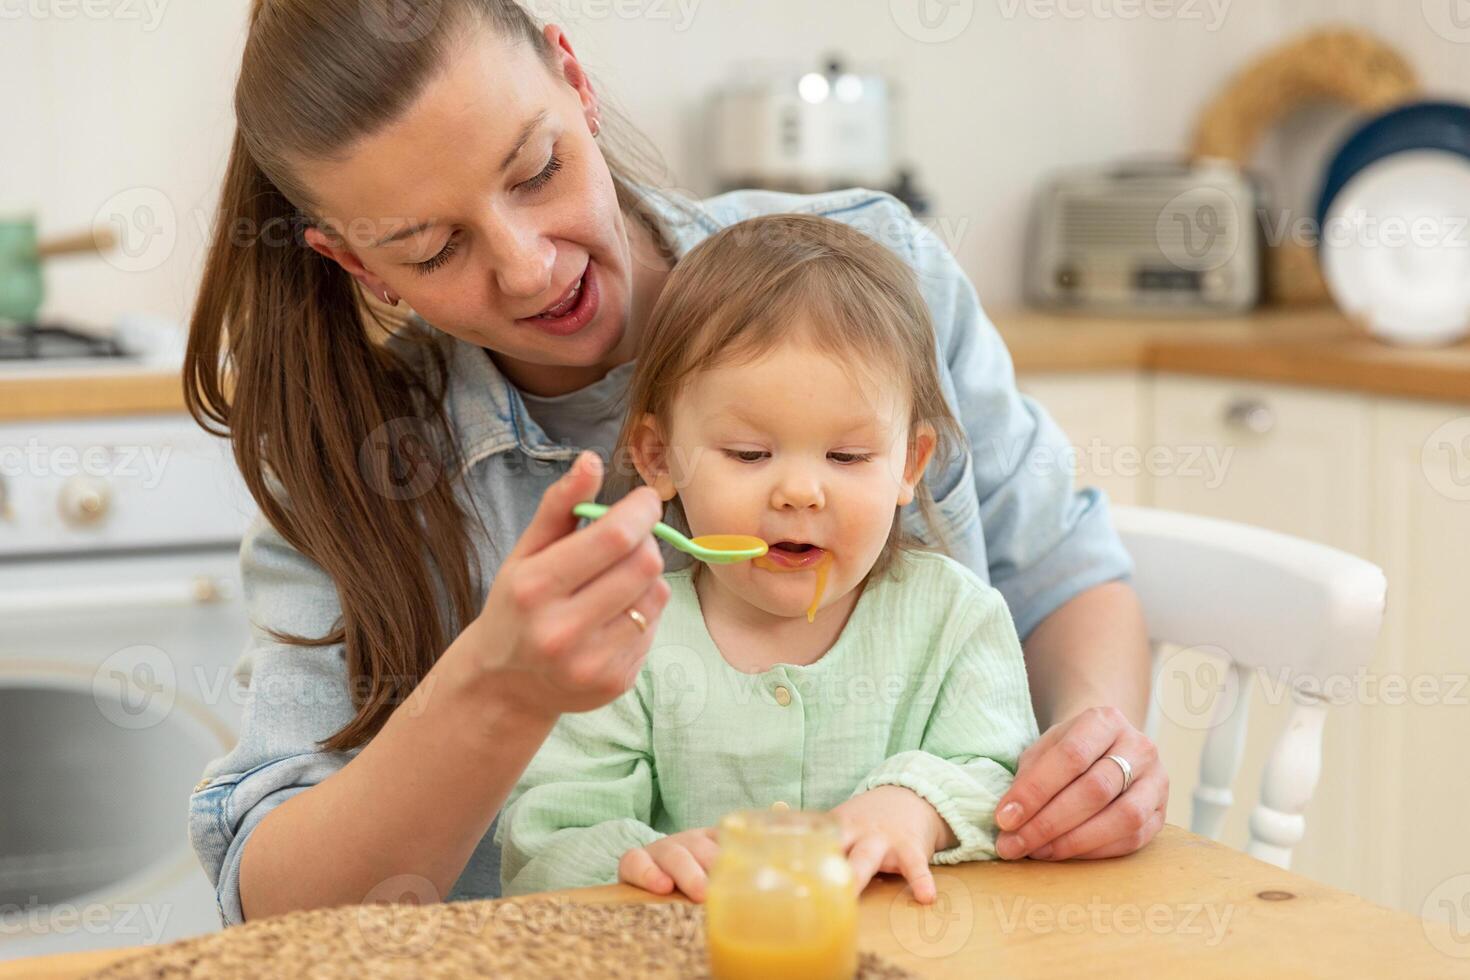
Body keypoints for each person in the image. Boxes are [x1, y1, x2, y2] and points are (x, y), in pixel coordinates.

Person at [185, 0, 1164, 927]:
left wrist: (1092, 751)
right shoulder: (349, 454)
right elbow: (280, 913)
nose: (530, 266)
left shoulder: (876, 273)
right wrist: (493, 685)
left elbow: (1062, 574)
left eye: (536, 169)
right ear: (357, 263)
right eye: (434, 247)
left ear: (574, 80)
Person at [497, 213, 1041, 905]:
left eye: (847, 457)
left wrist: (917, 804)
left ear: (911, 463)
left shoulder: (956, 619)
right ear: (660, 458)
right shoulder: (625, 640)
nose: (800, 491)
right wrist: (640, 858)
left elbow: (1002, 773)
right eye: (750, 455)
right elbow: (549, 841)